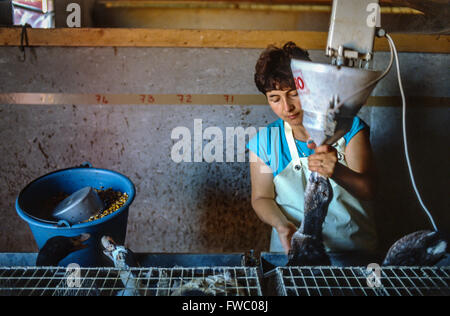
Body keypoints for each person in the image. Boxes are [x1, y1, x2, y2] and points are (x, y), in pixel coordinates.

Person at [247, 42, 378, 257]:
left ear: (311, 87)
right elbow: (261, 197)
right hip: (293, 251)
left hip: (351, 252)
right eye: (275, 98)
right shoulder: (264, 141)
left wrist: (337, 171)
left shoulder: (349, 127)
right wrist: (281, 225)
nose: (286, 107)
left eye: (294, 93)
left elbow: (369, 189)